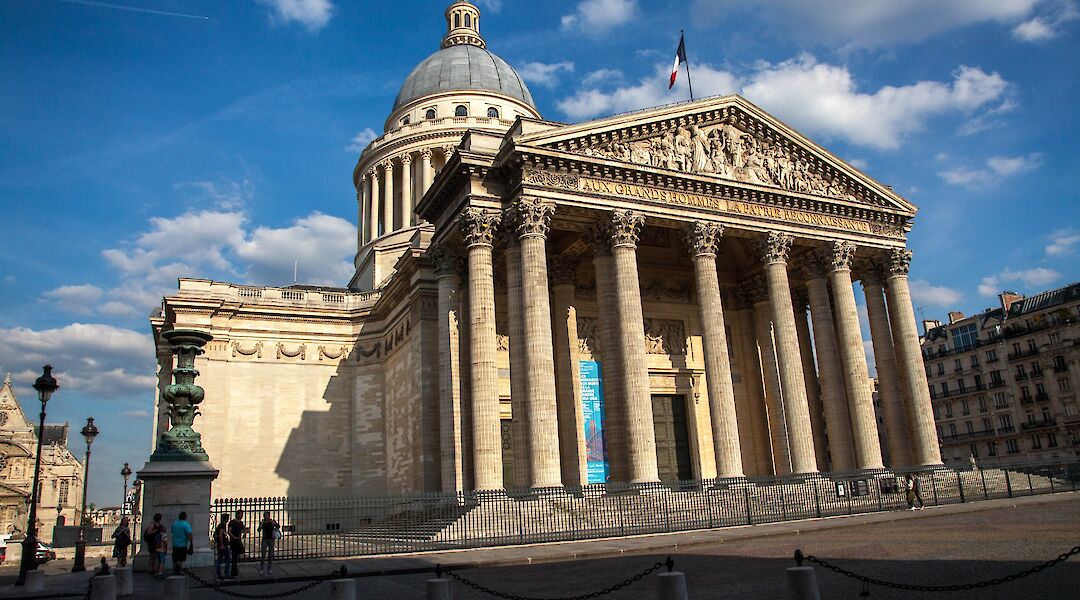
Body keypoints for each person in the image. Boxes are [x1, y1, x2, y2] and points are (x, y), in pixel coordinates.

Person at [257, 511, 280, 576]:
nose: (266, 516)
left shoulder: (272, 521)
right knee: (263, 555)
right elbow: (258, 530)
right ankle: (262, 569)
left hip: (271, 539)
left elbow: (278, 526)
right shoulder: (263, 522)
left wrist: (274, 523)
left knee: (270, 555)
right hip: (264, 539)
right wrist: (261, 524)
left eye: (267, 515)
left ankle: (269, 569)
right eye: (265, 515)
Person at [170, 512, 193, 576]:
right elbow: (189, 534)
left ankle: (174, 569)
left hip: (175, 544)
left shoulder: (174, 524)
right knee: (180, 558)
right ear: (185, 517)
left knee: (175, 558)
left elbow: (172, 531)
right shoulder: (186, 524)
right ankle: (178, 569)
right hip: (182, 544)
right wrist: (191, 543)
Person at [227, 510, 246, 578]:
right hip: (234, 541)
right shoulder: (232, 522)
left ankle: (235, 571)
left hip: (238, 541)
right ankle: (234, 572)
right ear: (237, 514)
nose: (241, 516)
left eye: (242, 514)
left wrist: (245, 532)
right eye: (240, 514)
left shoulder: (241, 523)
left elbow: (243, 529)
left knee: (239, 555)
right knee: (234, 557)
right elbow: (229, 532)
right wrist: (234, 537)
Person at [213, 513, 231, 581]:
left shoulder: (219, 525)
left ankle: (219, 574)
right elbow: (220, 535)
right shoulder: (222, 526)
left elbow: (216, 535)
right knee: (227, 559)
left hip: (220, 545)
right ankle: (225, 573)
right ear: (226, 519)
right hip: (223, 545)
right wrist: (222, 544)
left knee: (220, 559)